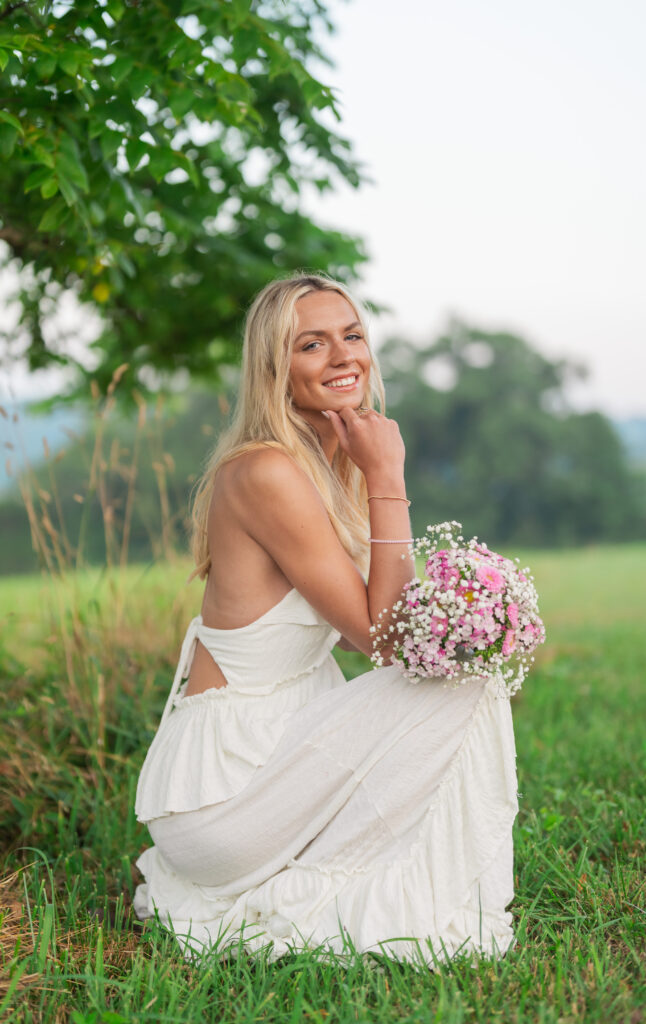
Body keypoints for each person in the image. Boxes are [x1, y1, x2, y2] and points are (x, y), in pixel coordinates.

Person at [133, 273, 519, 965]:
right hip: (223, 800)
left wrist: (467, 616)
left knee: (461, 675)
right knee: (467, 687)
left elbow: (373, 627)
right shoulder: (265, 473)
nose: (344, 357)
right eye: (312, 344)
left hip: (268, 769)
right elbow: (386, 642)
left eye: (352, 336)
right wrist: (388, 480)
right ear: (275, 371)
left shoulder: (320, 468)